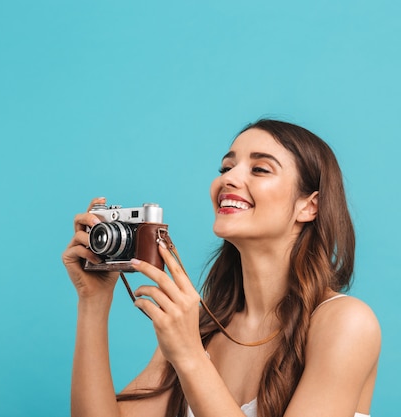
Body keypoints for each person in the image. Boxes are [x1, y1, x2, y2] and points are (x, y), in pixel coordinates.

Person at [62, 118, 381, 417]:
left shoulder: (346, 323)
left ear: (309, 206)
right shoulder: (201, 327)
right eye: (226, 167)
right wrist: (93, 302)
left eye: (260, 169)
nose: (228, 178)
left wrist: (189, 356)